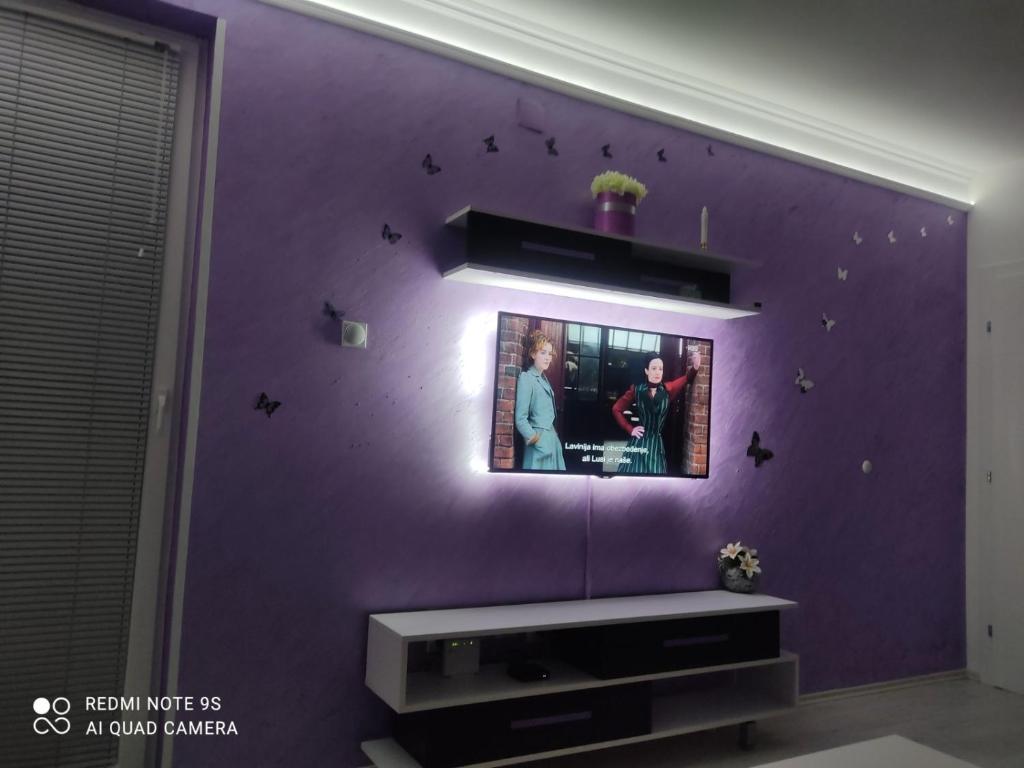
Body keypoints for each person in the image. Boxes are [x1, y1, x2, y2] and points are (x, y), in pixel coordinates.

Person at [611, 349, 701, 474]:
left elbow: (687, 378)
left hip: (655, 446)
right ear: (646, 371)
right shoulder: (636, 390)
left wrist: (696, 367)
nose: (658, 372)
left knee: (656, 478)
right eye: (653, 368)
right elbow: (616, 409)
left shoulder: (668, 389)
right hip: (639, 444)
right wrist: (630, 429)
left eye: (660, 369)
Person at [514, 330, 566, 471]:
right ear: (533, 354)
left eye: (550, 354)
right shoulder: (527, 378)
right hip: (538, 446)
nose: (547, 358)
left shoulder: (543, 379)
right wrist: (536, 440)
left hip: (551, 441)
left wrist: (552, 441)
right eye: (543, 353)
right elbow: (520, 419)